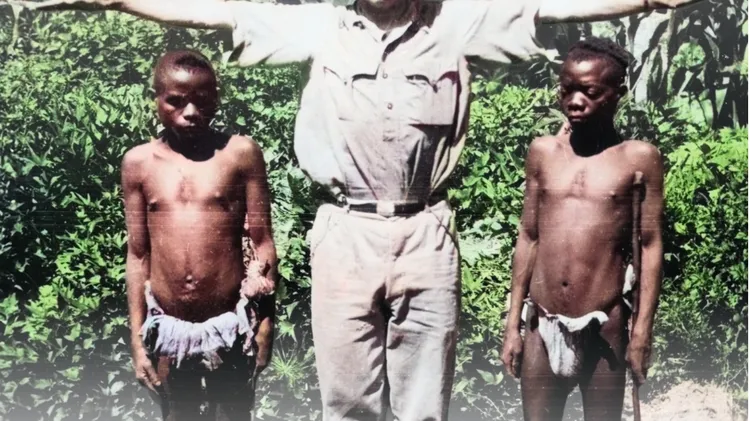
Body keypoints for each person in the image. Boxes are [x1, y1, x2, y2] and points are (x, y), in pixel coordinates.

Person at [11, 0, 697, 419]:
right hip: (345, 231)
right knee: (347, 402)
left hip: (425, 230)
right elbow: (212, 10)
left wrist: (645, 1)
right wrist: (107, 0)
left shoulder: (455, 21)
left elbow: (553, 7)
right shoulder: (321, 26)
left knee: (424, 401)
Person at [501, 38, 664, 421]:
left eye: (590, 92)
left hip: (604, 324)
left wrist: (642, 332)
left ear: (618, 92)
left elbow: (651, 245)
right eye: (567, 90)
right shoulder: (543, 153)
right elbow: (529, 236)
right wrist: (512, 325)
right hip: (542, 323)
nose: (575, 101)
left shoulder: (639, 159)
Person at [121, 50, 277, 421]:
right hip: (167, 325)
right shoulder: (138, 163)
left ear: (216, 100)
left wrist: (265, 325)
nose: (190, 112)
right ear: (157, 99)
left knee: (234, 414)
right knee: (178, 414)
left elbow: (262, 242)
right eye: (175, 101)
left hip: (232, 323)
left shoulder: (240, 154)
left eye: (202, 101)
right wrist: (137, 340)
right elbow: (138, 255)